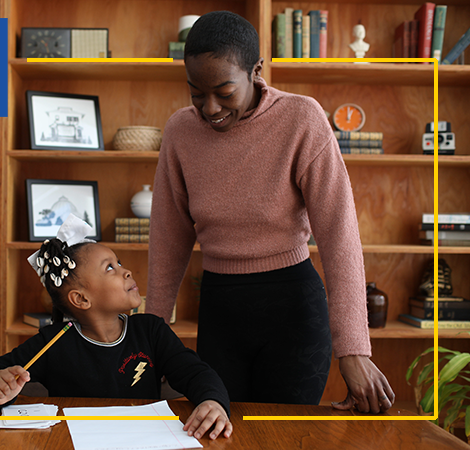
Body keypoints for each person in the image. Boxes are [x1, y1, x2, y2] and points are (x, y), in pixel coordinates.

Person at [145, 11, 395, 414]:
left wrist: (353, 348)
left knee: (283, 434)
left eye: (224, 92)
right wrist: (151, 334)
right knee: (218, 433)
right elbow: (167, 239)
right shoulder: (179, 132)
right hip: (219, 312)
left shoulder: (301, 118)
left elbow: (339, 235)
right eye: (196, 92)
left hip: (293, 311)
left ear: (256, 70)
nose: (209, 108)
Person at [0, 215, 233, 440]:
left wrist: (212, 401)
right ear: (81, 299)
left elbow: (196, 372)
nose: (126, 271)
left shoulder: (151, 331)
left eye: (118, 263)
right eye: (110, 268)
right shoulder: (54, 341)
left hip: (145, 441)